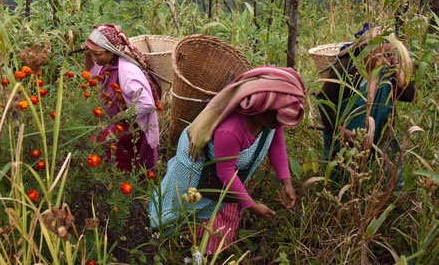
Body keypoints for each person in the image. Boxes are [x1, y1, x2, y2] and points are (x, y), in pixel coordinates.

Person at [149, 66, 305, 254]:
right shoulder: (230, 130)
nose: (277, 125)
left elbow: (276, 143)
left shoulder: (271, 120)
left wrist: (286, 181)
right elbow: (225, 173)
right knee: (182, 207)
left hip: (225, 178)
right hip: (197, 171)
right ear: (261, 110)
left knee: (221, 210)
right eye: (275, 120)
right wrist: (252, 205)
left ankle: (207, 251)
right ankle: (166, 242)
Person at [315, 24, 416, 161]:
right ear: (365, 49)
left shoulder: (388, 70)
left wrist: (397, 69)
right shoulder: (346, 68)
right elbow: (323, 101)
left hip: (378, 136)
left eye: (390, 55)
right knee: (342, 171)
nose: (385, 60)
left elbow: (408, 96)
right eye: (382, 55)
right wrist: (340, 130)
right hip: (345, 140)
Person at [82, 24, 162, 171]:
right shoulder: (106, 63)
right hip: (115, 121)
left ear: (112, 52)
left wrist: (121, 115)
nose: (95, 58)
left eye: (97, 54)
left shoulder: (127, 72)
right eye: (92, 53)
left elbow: (147, 104)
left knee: (101, 146)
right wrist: (89, 55)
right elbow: (91, 75)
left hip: (132, 126)